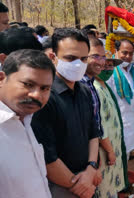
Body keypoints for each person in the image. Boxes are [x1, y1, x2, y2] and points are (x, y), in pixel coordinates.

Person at [31, 28, 101, 198]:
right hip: (61, 186)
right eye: (70, 58)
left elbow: (93, 132)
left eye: (83, 59)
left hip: (87, 177)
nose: (78, 64)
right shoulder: (44, 98)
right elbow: (47, 156)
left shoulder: (84, 91)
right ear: (52, 58)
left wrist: (92, 168)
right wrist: (80, 185)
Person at [0, 49, 55, 197]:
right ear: (1, 79)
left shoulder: (27, 120)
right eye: (28, 84)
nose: (36, 94)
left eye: (45, 88)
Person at [84, 37, 129, 197]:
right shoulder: (91, 87)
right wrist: (109, 150)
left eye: (109, 63)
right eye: (98, 58)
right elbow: (98, 125)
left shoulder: (102, 85)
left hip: (111, 148)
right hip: (103, 151)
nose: (106, 66)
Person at [107, 39, 134, 159]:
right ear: (116, 51)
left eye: (131, 54)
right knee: (116, 157)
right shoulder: (109, 71)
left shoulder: (132, 72)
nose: (128, 56)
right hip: (116, 122)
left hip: (131, 120)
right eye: (124, 52)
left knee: (125, 156)